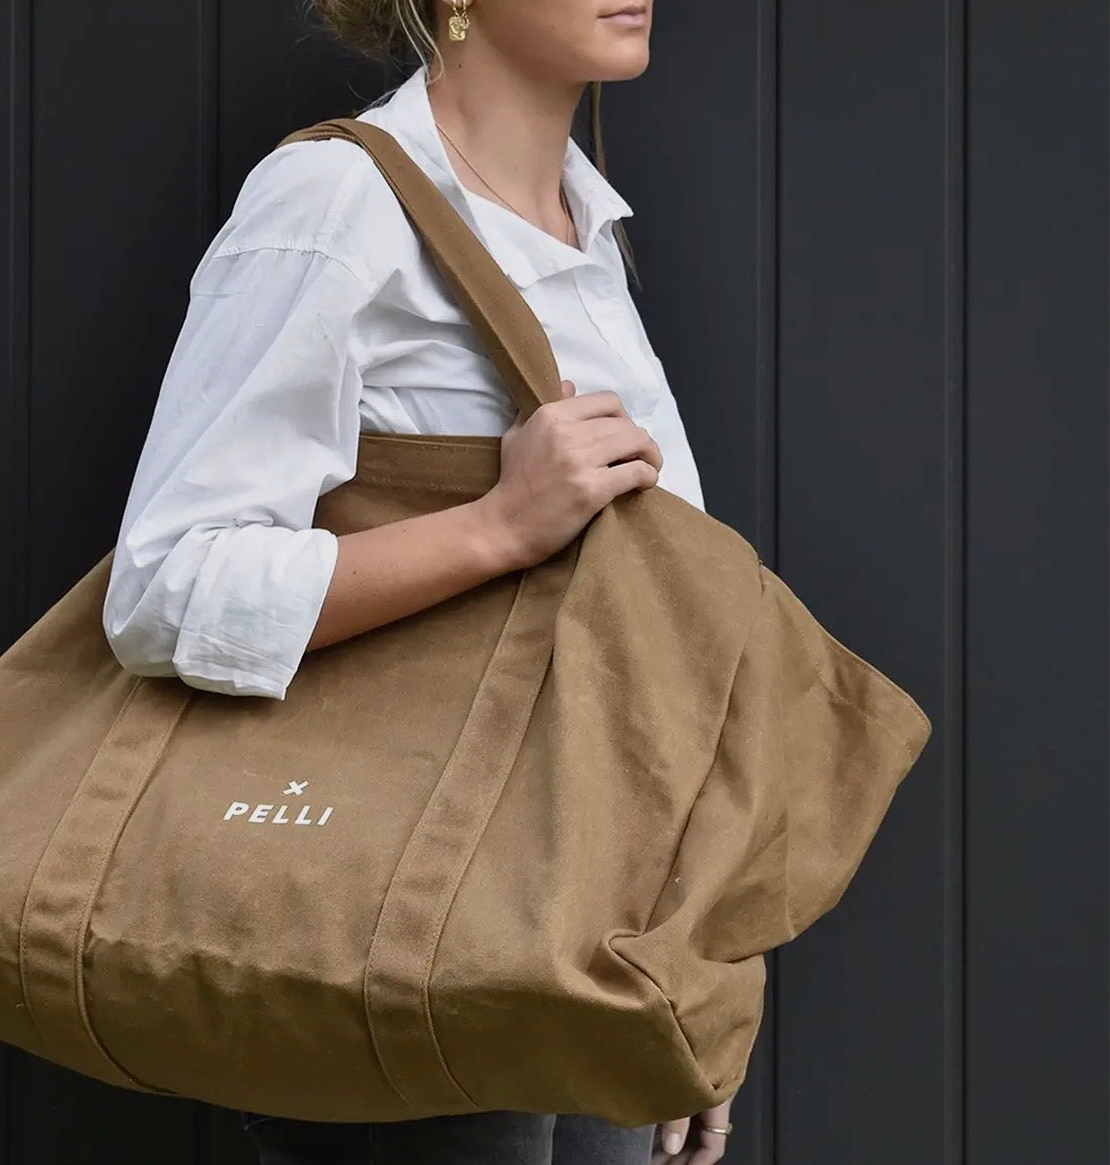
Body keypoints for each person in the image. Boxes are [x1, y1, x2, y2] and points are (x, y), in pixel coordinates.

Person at [102, 0, 737, 1161]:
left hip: (587, 943)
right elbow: (167, 587)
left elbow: (651, 649)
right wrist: (500, 524)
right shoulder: (336, 207)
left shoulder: (583, 235)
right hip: (405, 930)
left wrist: (687, 966)